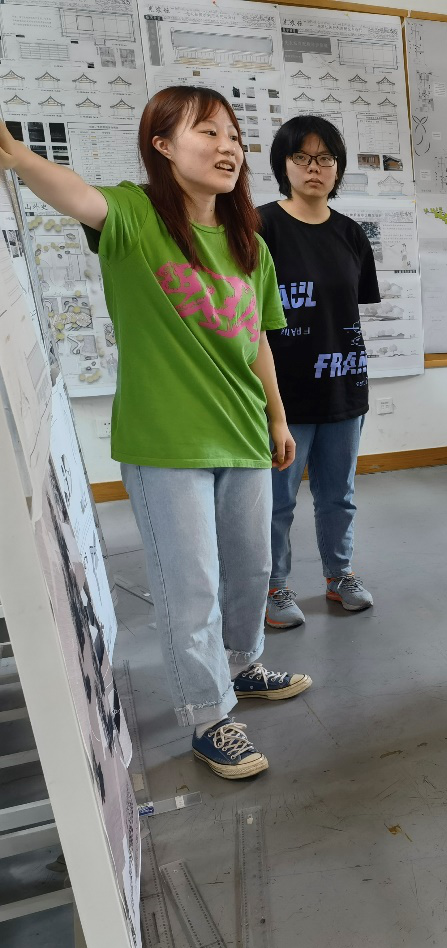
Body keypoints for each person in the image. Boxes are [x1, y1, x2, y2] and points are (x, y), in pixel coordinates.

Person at [0, 87, 312, 780]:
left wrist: (278, 416)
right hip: (166, 442)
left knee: (253, 568)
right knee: (190, 586)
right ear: (163, 145)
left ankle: (241, 666)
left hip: (243, 432)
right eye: (208, 132)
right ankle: (208, 716)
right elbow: (78, 196)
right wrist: (17, 157)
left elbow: (259, 339)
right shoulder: (135, 217)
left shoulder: (249, 244)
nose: (228, 147)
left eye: (234, 135)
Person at [257, 116, 381, 629]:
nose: (315, 168)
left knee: (338, 497)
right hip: (281, 394)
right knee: (276, 501)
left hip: (343, 386)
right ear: (283, 165)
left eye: (325, 158)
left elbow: (349, 308)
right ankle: (273, 586)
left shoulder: (351, 233)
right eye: (302, 157)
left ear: (338, 167)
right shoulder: (259, 226)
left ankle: (339, 575)